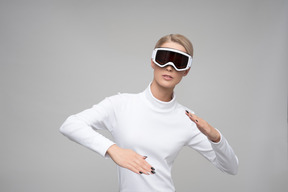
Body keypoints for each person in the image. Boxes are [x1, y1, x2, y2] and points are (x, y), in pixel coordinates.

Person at [60, 34, 239, 192]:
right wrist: (113, 150)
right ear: (153, 61)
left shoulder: (188, 119)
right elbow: (70, 125)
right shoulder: (120, 104)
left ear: (186, 70)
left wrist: (215, 137)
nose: (169, 67)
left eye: (178, 62)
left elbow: (231, 167)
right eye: (164, 58)